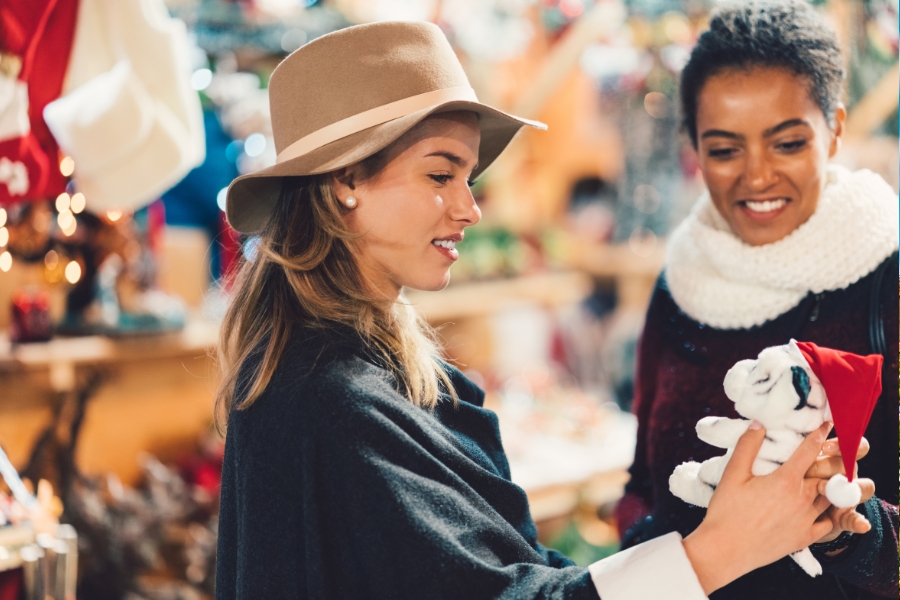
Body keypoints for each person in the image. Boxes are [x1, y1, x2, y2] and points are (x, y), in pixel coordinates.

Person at [214, 21, 847, 600]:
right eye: (440, 176)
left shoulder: (339, 369)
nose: (470, 209)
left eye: (469, 179)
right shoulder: (332, 398)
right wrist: (720, 549)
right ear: (343, 183)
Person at [615, 2, 899, 599]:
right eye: (724, 150)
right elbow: (642, 477)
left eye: (788, 142)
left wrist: (850, 530)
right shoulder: (681, 283)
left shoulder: (888, 280)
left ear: (836, 128)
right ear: (694, 147)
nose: (758, 176)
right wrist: (650, 552)